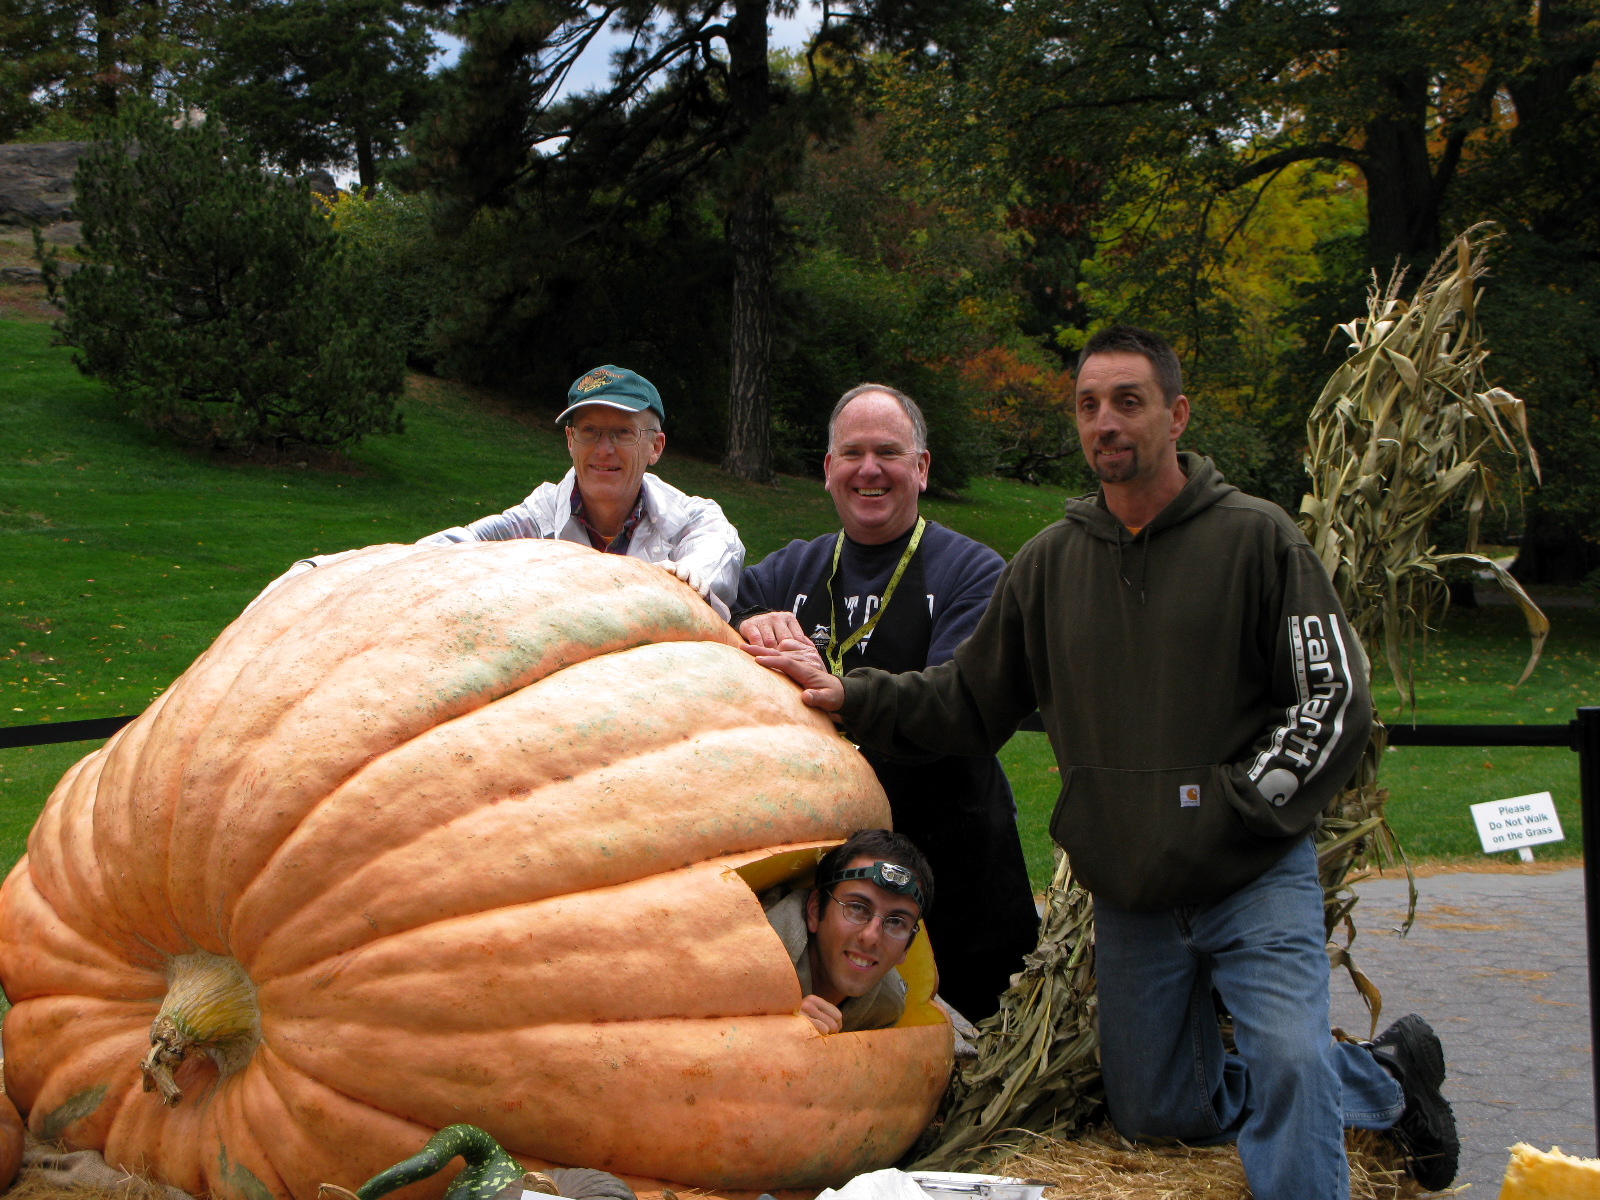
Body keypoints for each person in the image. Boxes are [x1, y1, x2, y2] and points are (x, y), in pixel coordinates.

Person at [745, 327, 1458, 1199]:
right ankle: (1385, 1079)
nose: (1106, 422)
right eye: (1089, 406)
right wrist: (847, 695)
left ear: (1176, 414)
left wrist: (1239, 809)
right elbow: (964, 700)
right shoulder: (1053, 563)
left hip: (1253, 874)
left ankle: (1313, 1113)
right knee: (1155, 1108)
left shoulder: (1256, 540)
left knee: (1285, 1063)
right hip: (1134, 896)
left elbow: (1333, 697)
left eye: (1129, 400)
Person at [735, 383, 1039, 1023]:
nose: (869, 469)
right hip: (830, 888)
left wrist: (841, 692)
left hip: (958, 880)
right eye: (852, 453)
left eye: (889, 452)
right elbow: (713, 629)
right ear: (827, 470)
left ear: (922, 468)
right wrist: (750, 622)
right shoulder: (786, 575)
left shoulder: (973, 573)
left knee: (961, 1063)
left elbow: (957, 706)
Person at [253, 365, 744, 615]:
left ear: (655, 446)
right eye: (590, 431)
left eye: (622, 433)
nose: (604, 450)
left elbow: (714, 559)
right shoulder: (539, 516)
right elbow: (455, 548)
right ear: (570, 441)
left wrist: (682, 579)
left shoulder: (692, 520)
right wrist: (334, 569)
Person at [763, 829, 934, 1034]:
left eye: (896, 922)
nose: (871, 937)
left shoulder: (885, 1009)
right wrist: (773, 1029)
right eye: (857, 908)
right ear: (816, 910)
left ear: (907, 948)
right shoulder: (752, 953)